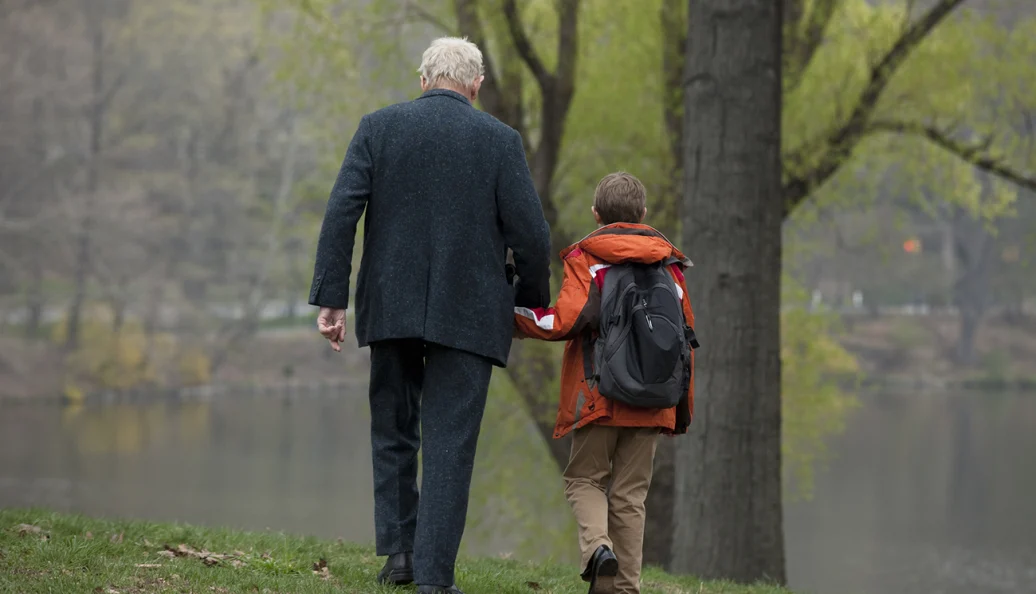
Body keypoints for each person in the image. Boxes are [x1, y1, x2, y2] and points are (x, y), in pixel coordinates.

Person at [308, 37, 552, 594]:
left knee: (393, 429)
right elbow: (533, 237)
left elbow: (342, 209)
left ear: (423, 79)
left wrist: (332, 298)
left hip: (389, 304)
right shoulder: (500, 141)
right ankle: (434, 580)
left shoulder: (378, 127)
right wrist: (530, 305)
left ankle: (400, 556)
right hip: (468, 314)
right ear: (476, 85)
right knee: (449, 444)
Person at [514, 173, 695, 594]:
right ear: (643, 215)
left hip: (601, 394)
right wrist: (678, 410)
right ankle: (627, 588)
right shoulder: (671, 265)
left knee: (584, 479)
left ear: (596, 214)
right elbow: (685, 340)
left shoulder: (589, 259)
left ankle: (597, 548)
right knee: (631, 497)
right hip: (654, 402)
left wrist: (512, 317)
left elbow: (564, 320)